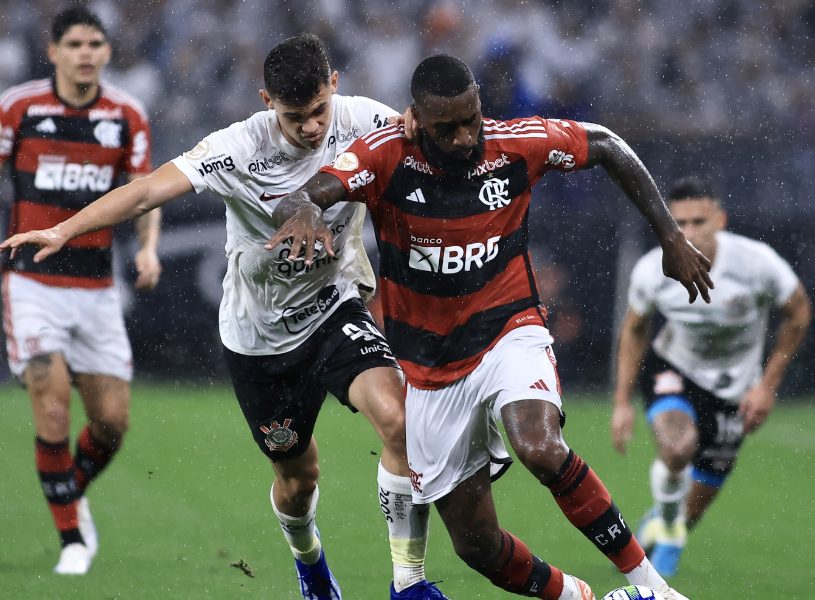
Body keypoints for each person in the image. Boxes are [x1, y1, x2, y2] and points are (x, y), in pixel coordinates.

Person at [0, 34, 448, 600]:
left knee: (399, 422)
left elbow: (436, 139)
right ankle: (310, 563)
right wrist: (65, 229)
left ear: (334, 86)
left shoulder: (366, 120)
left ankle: (408, 583)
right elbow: (144, 194)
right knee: (296, 477)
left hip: (335, 307)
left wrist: (422, 122)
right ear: (267, 101)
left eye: (318, 111)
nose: (311, 127)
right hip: (258, 339)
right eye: (294, 116)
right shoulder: (236, 148)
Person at [266, 54, 712, 600]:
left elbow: (606, 145)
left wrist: (668, 234)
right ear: (417, 120)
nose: (463, 136)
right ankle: (580, 597)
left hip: (509, 329)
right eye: (445, 127)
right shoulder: (386, 156)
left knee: (540, 446)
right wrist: (307, 209)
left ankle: (653, 588)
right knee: (476, 545)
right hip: (430, 371)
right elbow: (304, 193)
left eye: (471, 118)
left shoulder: (516, 143)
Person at [0, 7, 159, 575]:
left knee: (112, 422)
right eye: (75, 44)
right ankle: (72, 541)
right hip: (32, 281)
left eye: (95, 43)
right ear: (54, 51)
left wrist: (148, 246)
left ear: (107, 52)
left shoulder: (127, 115)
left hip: (96, 286)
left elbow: (144, 193)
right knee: (53, 398)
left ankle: (67, 492)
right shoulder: (20, 106)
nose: (86, 53)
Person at [611, 176, 812, 576]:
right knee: (677, 448)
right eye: (678, 223)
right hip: (673, 368)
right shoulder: (653, 270)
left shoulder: (757, 264)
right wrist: (621, 403)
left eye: (698, 222)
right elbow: (634, 329)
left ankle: (665, 519)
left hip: (735, 386)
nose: (687, 233)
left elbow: (799, 312)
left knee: (695, 504)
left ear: (720, 220)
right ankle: (668, 531)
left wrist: (767, 386)